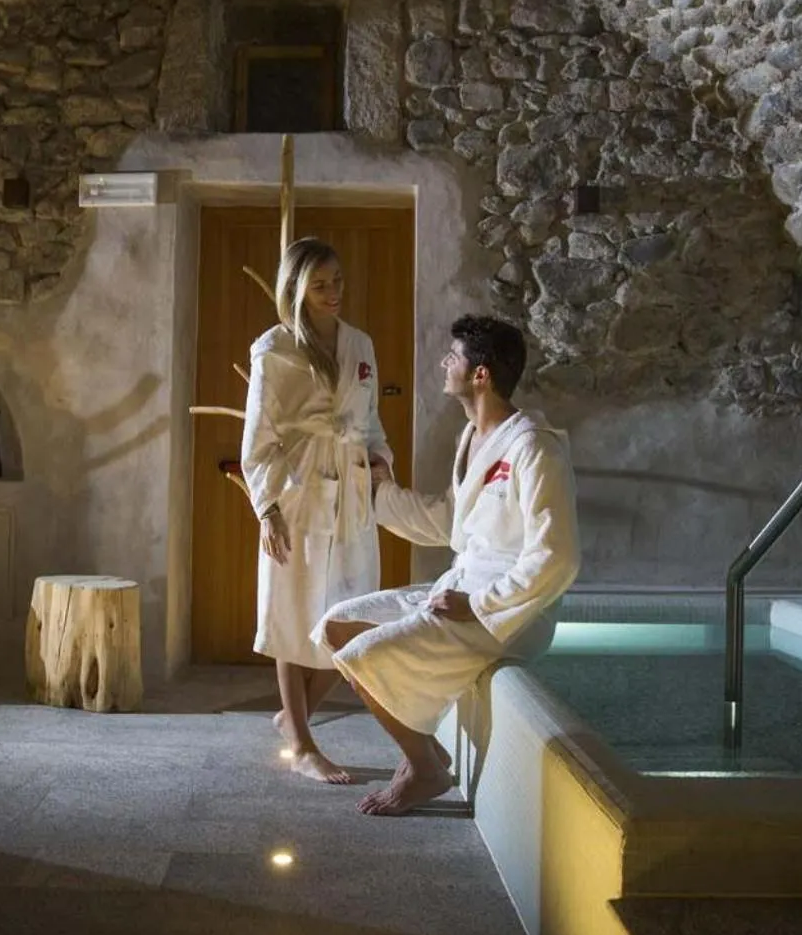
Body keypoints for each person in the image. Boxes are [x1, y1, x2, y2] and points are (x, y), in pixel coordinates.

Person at [313, 315, 579, 816]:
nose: (443, 363)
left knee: (364, 656)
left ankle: (423, 767)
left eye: (452, 356)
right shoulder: (473, 438)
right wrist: (381, 493)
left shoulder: (534, 448)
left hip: (508, 611)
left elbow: (558, 556)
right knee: (336, 628)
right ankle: (425, 745)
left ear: (480, 375)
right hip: (459, 588)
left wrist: (478, 604)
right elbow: (449, 523)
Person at [241, 237, 393, 784]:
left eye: (338, 281)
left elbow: (370, 417)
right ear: (298, 289)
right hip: (298, 493)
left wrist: (379, 461)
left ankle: (293, 714)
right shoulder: (275, 349)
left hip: (351, 491)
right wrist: (267, 508)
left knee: (353, 619)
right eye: (321, 284)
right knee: (293, 610)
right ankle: (303, 743)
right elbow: (259, 438)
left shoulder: (361, 344)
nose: (333, 293)